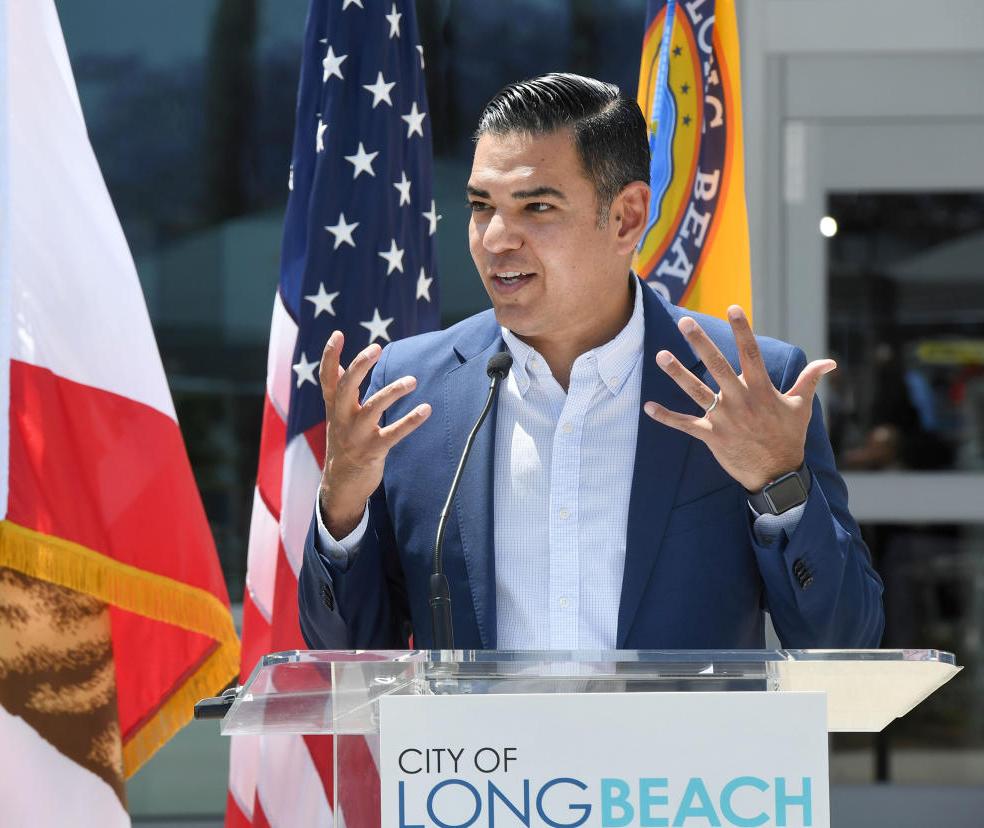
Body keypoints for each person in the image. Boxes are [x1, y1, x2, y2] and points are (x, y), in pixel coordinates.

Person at [297, 72, 883, 651]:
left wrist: (778, 484)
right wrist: (341, 506)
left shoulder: (746, 389)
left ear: (627, 217)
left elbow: (846, 641)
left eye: (536, 207)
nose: (497, 238)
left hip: (679, 750)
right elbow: (345, 654)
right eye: (482, 205)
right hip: (482, 752)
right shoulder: (410, 392)